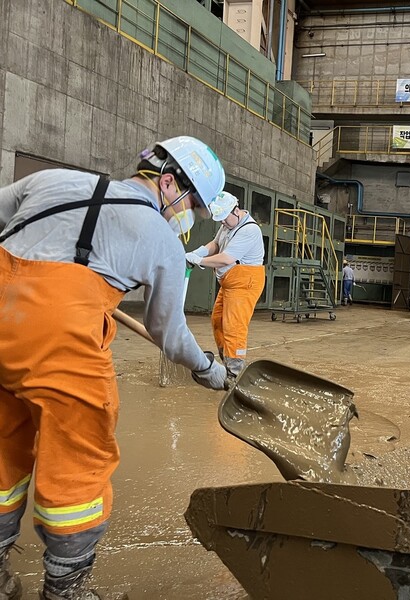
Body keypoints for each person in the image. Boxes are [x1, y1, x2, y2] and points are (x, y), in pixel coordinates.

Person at [0, 136, 229, 600]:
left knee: (3, 449)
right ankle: (65, 591)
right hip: (58, 342)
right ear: (168, 184)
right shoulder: (158, 235)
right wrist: (206, 367)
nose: (193, 221)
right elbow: (167, 331)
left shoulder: (49, 180)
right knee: (78, 465)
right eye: (196, 210)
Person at [185, 191, 265, 377]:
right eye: (219, 219)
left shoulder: (249, 230)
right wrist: (199, 252)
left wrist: (198, 261)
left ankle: (234, 373)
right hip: (230, 283)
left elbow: (226, 258)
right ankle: (226, 362)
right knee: (218, 321)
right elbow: (215, 244)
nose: (222, 223)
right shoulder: (228, 224)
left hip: (245, 282)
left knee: (233, 326)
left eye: (224, 219)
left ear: (236, 210)